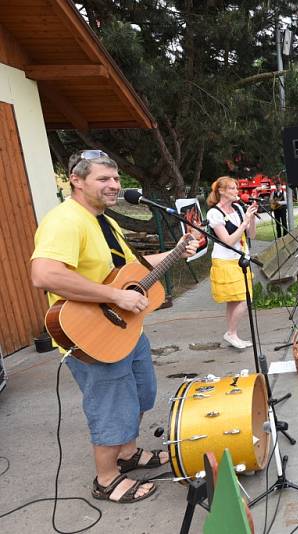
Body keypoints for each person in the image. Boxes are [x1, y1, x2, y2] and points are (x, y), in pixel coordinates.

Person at [31, 150, 198, 504]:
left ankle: (127, 452)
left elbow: (132, 269)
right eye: (103, 179)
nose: (114, 185)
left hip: (126, 329)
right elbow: (45, 274)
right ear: (76, 180)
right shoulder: (65, 221)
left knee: (141, 394)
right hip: (93, 336)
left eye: (116, 178)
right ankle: (106, 479)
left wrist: (176, 253)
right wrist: (114, 296)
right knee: (112, 406)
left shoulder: (103, 220)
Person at [206, 176, 258, 349]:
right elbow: (228, 240)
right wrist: (244, 223)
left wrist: (250, 219)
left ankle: (232, 334)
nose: (237, 191)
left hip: (241, 258)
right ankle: (230, 333)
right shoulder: (214, 213)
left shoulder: (238, 208)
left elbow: (251, 235)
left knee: (235, 300)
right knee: (244, 299)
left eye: (237, 188)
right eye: (232, 188)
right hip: (225, 261)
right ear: (221, 191)